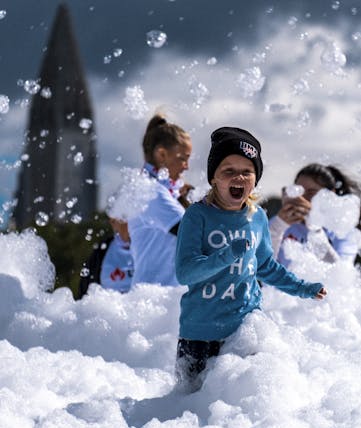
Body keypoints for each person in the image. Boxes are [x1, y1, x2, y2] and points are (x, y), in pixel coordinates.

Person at [175, 127, 327, 393]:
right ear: (214, 179)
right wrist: (226, 255)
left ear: (255, 179)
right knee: (191, 413)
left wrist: (302, 288)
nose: (239, 177)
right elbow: (185, 273)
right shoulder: (197, 216)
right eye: (229, 171)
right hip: (199, 335)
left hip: (245, 331)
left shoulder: (256, 217)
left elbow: (266, 266)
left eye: (247, 171)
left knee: (244, 409)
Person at [127, 113, 192, 287]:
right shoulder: (150, 191)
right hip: (153, 298)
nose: (187, 166)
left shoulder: (164, 191)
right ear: (162, 155)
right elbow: (190, 231)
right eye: (182, 158)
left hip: (162, 297)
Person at [269, 163, 361, 266]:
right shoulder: (281, 223)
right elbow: (262, 265)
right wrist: (278, 226)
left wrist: (314, 227)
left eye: (311, 193)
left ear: (330, 195)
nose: (302, 199)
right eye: (299, 192)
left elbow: (340, 273)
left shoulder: (344, 231)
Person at [78, 218, 133, 298]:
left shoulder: (152, 249)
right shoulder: (101, 252)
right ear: (113, 222)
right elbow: (85, 296)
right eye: (123, 219)